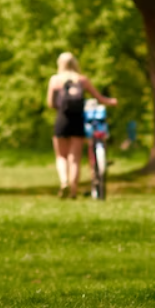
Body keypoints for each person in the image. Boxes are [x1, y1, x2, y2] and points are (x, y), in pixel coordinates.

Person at [46, 52, 118, 199]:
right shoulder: (81, 80)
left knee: (61, 156)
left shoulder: (55, 80)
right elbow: (99, 98)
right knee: (75, 158)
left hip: (61, 120)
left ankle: (64, 181)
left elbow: (50, 103)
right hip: (78, 121)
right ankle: (73, 191)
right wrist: (111, 101)